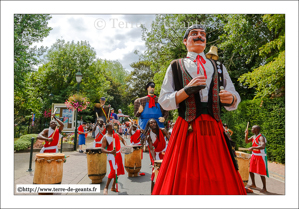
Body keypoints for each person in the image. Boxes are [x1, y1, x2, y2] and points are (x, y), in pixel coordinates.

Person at [152, 24, 246, 195]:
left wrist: (231, 99)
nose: (199, 36)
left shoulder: (218, 66)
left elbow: (234, 94)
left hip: (214, 128)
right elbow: (164, 101)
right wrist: (185, 91)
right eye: (194, 33)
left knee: (218, 172)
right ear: (185, 41)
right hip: (187, 128)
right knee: (185, 173)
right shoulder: (176, 65)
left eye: (202, 34)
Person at [144, 118, 170, 193]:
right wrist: (154, 160)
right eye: (151, 123)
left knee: (166, 172)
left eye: (154, 122)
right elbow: (151, 149)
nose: (153, 124)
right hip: (157, 154)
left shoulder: (163, 130)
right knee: (154, 172)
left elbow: (170, 140)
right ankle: (152, 192)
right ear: (149, 125)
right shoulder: (149, 136)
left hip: (165, 153)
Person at [101, 123, 127, 194]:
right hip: (111, 156)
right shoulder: (105, 137)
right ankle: (106, 187)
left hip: (118, 155)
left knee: (117, 171)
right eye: (111, 127)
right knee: (113, 171)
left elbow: (122, 140)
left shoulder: (117, 134)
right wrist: (110, 151)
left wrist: (126, 145)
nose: (113, 128)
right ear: (108, 128)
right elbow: (102, 149)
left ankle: (113, 187)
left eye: (113, 126)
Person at [245, 125, 269, 193]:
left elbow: (263, 146)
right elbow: (246, 141)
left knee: (261, 172)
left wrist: (252, 148)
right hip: (254, 155)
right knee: (251, 170)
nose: (251, 129)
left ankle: (264, 188)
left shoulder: (261, 137)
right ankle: (253, 184)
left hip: (260, 156)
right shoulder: (253, 136)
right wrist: (246, 135)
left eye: (253, 128)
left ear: (256, 130)